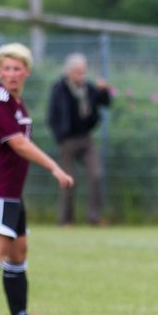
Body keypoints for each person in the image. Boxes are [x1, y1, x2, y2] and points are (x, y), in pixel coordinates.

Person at [0, 43, 74, 315]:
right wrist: (54, 167)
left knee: (19, 251)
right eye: (6, 68)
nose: (11, 74)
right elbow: (19, 144)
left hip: (11, 192)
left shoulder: (16, 102)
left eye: (17, 68)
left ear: (26, 71)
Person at [48, 53, 112, 226]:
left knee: (96, 175)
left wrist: (104, 90)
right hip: (67, 140)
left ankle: (94, 217)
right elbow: (52, 116)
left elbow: (105, 103)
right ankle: (66, 220)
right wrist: (60, 137)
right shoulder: (59, 89)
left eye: (83, 72)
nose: (82, 76)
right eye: (78, 72)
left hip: (86, 139)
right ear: (68, 72)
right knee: (68, 180)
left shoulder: (89, 88)